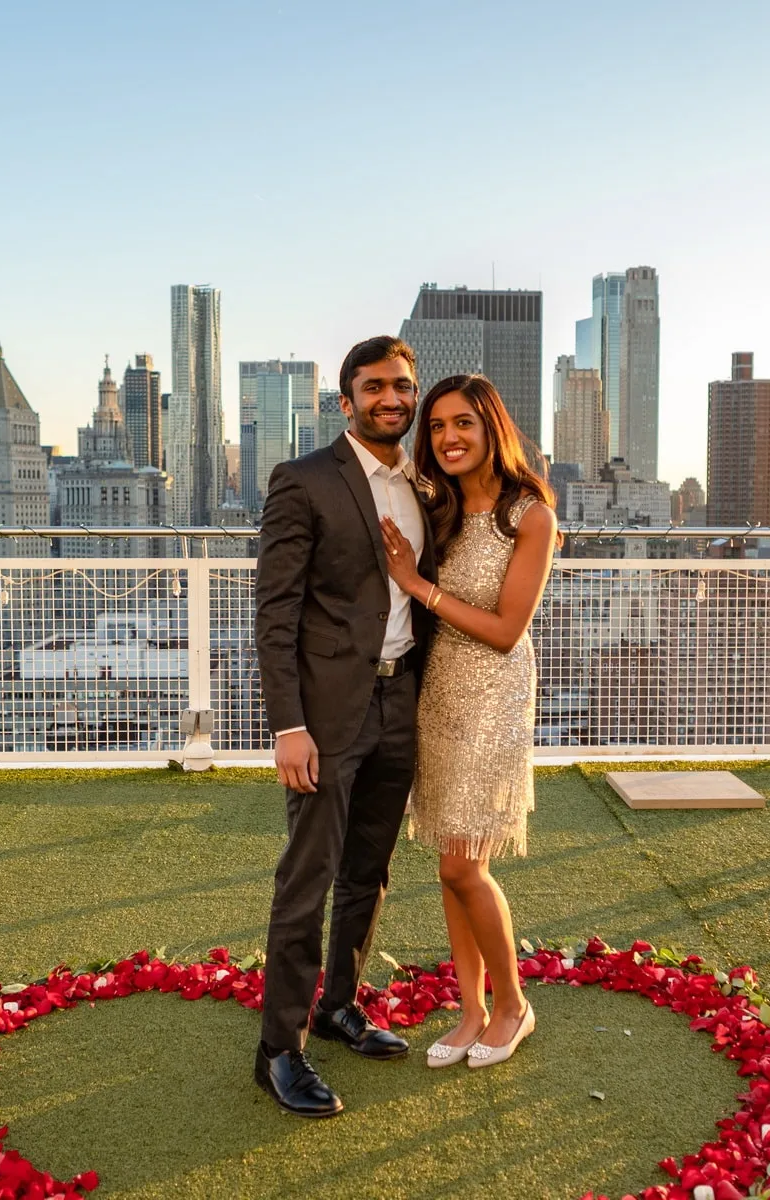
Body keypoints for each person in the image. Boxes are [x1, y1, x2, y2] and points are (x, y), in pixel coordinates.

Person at [252, 335, 437, 1117]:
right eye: (373, 387)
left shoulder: (426, 485)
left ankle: (337, 1006)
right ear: (346, 400)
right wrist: (287, 724)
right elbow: (276, 611)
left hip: (403, 702)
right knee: (310, 877)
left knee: (370, 869)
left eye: (401, 385)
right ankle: (277, 1052)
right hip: (327, 715)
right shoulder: (304, 481)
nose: (390, 398)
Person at [377, 373, 558, 1069]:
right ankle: (472, 1010)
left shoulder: (529, 515)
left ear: (492, 430)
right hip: (438, 692)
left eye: (464, 425)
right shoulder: (438, 507)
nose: (449, 438)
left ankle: (513, 1007)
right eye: (439, 426)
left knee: (464, 864)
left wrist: (418, 584)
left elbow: (509, 629)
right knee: (451, 866)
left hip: (494, 696)